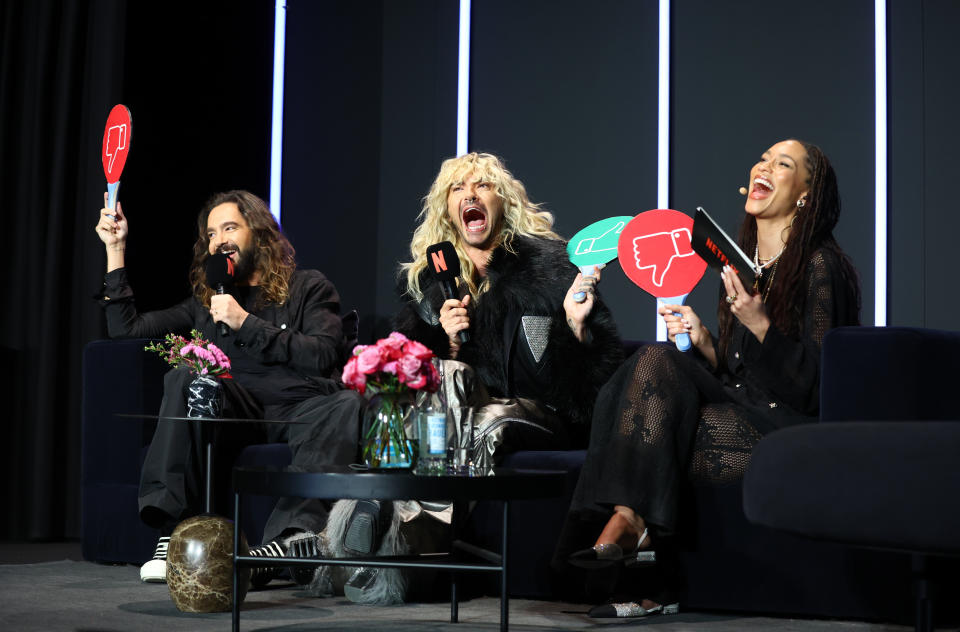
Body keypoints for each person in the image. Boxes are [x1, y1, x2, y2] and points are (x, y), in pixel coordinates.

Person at [555, 139, 861, 618]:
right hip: (742, 407)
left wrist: (759, 324)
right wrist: (707, 345)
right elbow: (738, 375)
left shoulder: (822, 265)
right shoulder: (737, 265)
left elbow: (817, 386)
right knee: (657, 359)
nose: (764, 166)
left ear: (806, 193)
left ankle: (637, 554)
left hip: (794, 426)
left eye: (783, 164)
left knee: (660, 435)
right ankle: (630, 522)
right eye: (761, 158)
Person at [94, 189, 362, 584]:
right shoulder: (206, 303)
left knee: (347, 404)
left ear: (258, 232)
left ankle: (286, 545)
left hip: (300, 408)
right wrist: (115, 249)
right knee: (186, 374)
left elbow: (323, 354)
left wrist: (246, 323)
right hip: (235, 409)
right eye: (211, 233)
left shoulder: (308, 286)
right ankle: (176, 531)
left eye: (230, 227)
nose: (219, 239)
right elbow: (126, 329)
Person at [395, 151, 624, 464]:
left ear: (502, 203)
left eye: (484, 186)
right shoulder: (428, 288)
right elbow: (404, 379)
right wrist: (445, 342)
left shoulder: (550, 271)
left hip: (545, 413)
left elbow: (600, 384)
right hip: (462, 407)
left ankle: (413, 513)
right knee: (423, 413)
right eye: (457, 188)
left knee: (488, 421)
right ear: (447, 210)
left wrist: (576, 326)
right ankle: (375, 509)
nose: (470, 194)